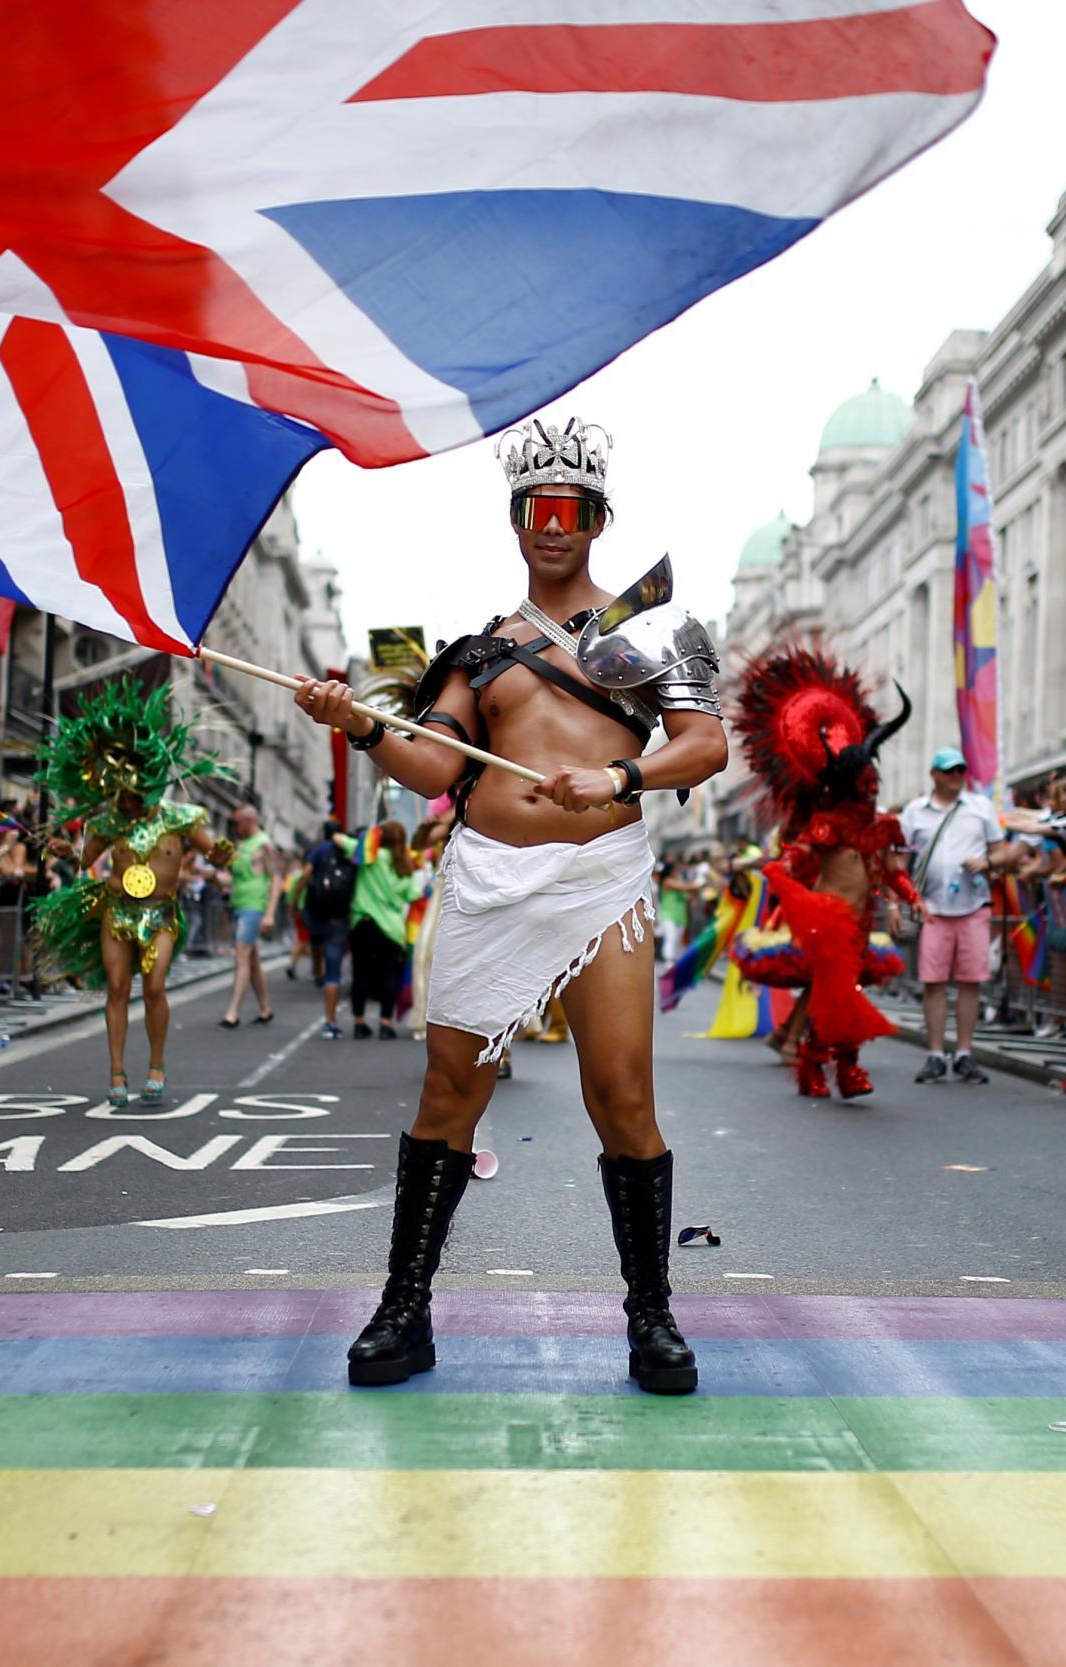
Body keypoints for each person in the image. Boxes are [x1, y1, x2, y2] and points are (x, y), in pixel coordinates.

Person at [291, 415, 728, 1394]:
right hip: (488, 879)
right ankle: (403, 1308)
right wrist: (360, 723)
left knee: (621, 1096)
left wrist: (618, 776)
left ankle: (651, 1314)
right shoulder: (475, 653)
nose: (553, 524)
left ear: (598, 518)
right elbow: (435, 765)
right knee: (449, 1094)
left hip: (600, 881)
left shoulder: (653, 626)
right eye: (536, 507)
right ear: (516, 516)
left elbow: (703, 746)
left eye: (572, 508)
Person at [726, 641, 915, 1098]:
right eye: (864, 779)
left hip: (858, 921)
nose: (871, 785)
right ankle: (815, 1061)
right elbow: (795, 858)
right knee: (834, 991)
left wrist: (906, 896)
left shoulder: (877, 825)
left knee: (839, 994)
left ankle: (829, 1062)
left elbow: (887, 867)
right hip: (826, 918)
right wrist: (780, 876)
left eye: (872, 777)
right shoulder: (827, 824)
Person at [32, 676, 231, 1108]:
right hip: (117, 912)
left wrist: (223, 855)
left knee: (155, 987)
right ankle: (117, 1071)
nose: (127, 801)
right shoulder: (107, 822)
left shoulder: (182, 817)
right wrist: (68, 852)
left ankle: (156, 1066)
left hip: (161, 914)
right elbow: (86, 861)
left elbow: (215, 852)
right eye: (121, 793)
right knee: (117, 988)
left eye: (133, 793)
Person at [899, 745, 1010, 1085]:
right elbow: (899, 863)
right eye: (949, 771)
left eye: (960, 770)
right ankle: (935, 1053)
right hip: (931, 908)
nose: (956, 776)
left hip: (974, 906)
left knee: (970, 982)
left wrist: (987, 863)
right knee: (933, 983)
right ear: (934, 774)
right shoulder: (914, 812)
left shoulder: (980, 808)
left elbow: (1002, 852)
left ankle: (964, 1052)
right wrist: (896, 902)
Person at [349, 820, 422, 1038]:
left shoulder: (369, 857)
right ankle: (386, 1023)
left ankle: (359, 1022)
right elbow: (413, 895)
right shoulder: (407, 866)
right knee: (389, 976)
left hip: (363, 923)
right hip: (392, 928)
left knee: (360, 973)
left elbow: (345, 843)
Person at [218, 805, 279, 1028]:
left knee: (242, 954)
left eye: (236, 822)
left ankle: (232, 1012)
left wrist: (270, 914)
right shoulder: (242, 845)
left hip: (254, 906)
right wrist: (211, 877)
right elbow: (236, 878)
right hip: (238, 903)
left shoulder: (264, 844)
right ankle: (266, 1008)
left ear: (249, 820)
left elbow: (276, 879)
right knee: (251, 959)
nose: (234, 827)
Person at [300, 819, 357, 1037]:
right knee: (335, 971)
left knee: (315, 939)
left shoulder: (318, 850)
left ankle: (316, 972)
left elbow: (305, 874)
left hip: (317, 912)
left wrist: (296, 901)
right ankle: (331, 1022)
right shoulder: (349, 851)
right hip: (339, 916)